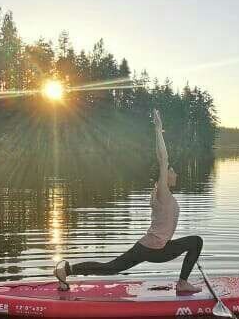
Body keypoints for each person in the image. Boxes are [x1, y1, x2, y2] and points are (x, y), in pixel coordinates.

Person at [54, 109, 204, 293]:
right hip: (154, 249)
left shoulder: (161, 193)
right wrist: (158, 130)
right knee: (195, 242)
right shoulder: (162, 193)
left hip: (153, 246)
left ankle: (67, 270)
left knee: (112, 267)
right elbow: (163, 159)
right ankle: (182, 283)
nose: (175, 173)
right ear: (163, 177)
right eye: (172, 170)